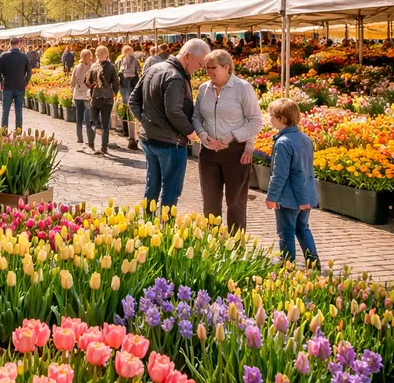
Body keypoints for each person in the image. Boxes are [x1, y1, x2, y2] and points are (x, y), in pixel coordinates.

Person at [129, 38, 210, 208]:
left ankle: (149, 227)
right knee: (171, 190)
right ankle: (165, 230)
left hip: (149, 139)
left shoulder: (154, 68)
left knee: (152, 186)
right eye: (200, 64)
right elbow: (174, 112)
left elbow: (133, 101)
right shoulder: (175, 77)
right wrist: (190, 132)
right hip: (170, 143)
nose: (200, 68)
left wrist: (145, 122)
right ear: (188, 56)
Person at [192, 49, 263, 233]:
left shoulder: (243, 88)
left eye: (213, 68)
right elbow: (196, 117)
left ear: (227, 68)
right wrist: (202, 134)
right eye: (207, 68)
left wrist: (232, 137)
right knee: (210, 203)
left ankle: (236, 248)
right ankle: (213, 245)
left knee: (235, 203)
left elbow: (255, 121)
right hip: (208, 153)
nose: (209, 72)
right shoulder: (203, 89)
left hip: (235, 153)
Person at [265, 98, 320, 265]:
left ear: (282, 119)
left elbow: (279, 174)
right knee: (302, 228)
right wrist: (305, 199)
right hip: (307, 194)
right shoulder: (305, 138)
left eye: (272, 115)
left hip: (288, 198)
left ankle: (287, 261)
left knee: (286, 231)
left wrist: (272, 197)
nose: (269, 118)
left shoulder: (282, 143)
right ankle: (313, 260)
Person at [86, 45, 120, 155]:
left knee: (95, 122)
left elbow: (89, 82)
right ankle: (100, 146)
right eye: (97, 54)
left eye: (99, 54)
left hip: (100, 98)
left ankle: (95, 145)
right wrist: (113, 93)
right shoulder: (109, 67)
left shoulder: (96, 66)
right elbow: (115, 83)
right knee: (103, 124)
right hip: (104, 98)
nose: (98, 56)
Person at [0, 36, 32, 130]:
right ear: (19, 44)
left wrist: (0, 81)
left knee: (5, 111)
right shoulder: (24, 56)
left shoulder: (4, 56)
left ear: (10, 44)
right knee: (19, 111)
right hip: (20, 86)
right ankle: (18, 131)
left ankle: (4, 131)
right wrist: (26, 81)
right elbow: (29, 71)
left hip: (7, 86)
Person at [118, 45, 141, 151]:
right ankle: (133, 138)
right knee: (133, 113)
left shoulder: (120, 60)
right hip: (133, 88)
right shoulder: (135, 60)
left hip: (123, 88)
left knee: (124, 110)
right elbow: (138, 74)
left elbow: (117, 75)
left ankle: (125, 130)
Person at [69, 48, 93, 145]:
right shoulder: (92, 67)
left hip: (77, 95)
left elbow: (72, 82)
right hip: (87, 96)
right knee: (87, 119)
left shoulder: (77, 67)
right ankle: (90, 140)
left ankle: (80, 138)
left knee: (79, 118)